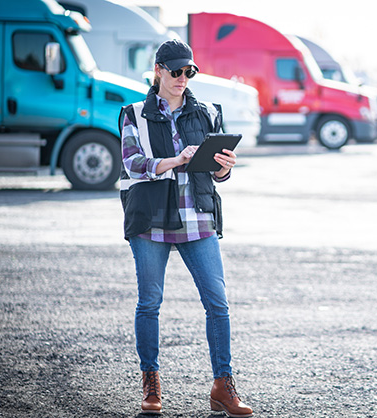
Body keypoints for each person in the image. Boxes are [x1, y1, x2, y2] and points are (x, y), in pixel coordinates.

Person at [118, 39, 253, 417]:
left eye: (188, 72)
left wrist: (225, 166)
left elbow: (218, 174)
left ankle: (222, 387)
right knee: (149, 303)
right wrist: (176, 160)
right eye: (175, 71)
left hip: (198, 216)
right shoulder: (133, 113)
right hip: (150, 219)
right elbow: (132, 164)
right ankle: (151, 384)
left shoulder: (208, 111)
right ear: (158, 69)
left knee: (218, 304)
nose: (182, 78)